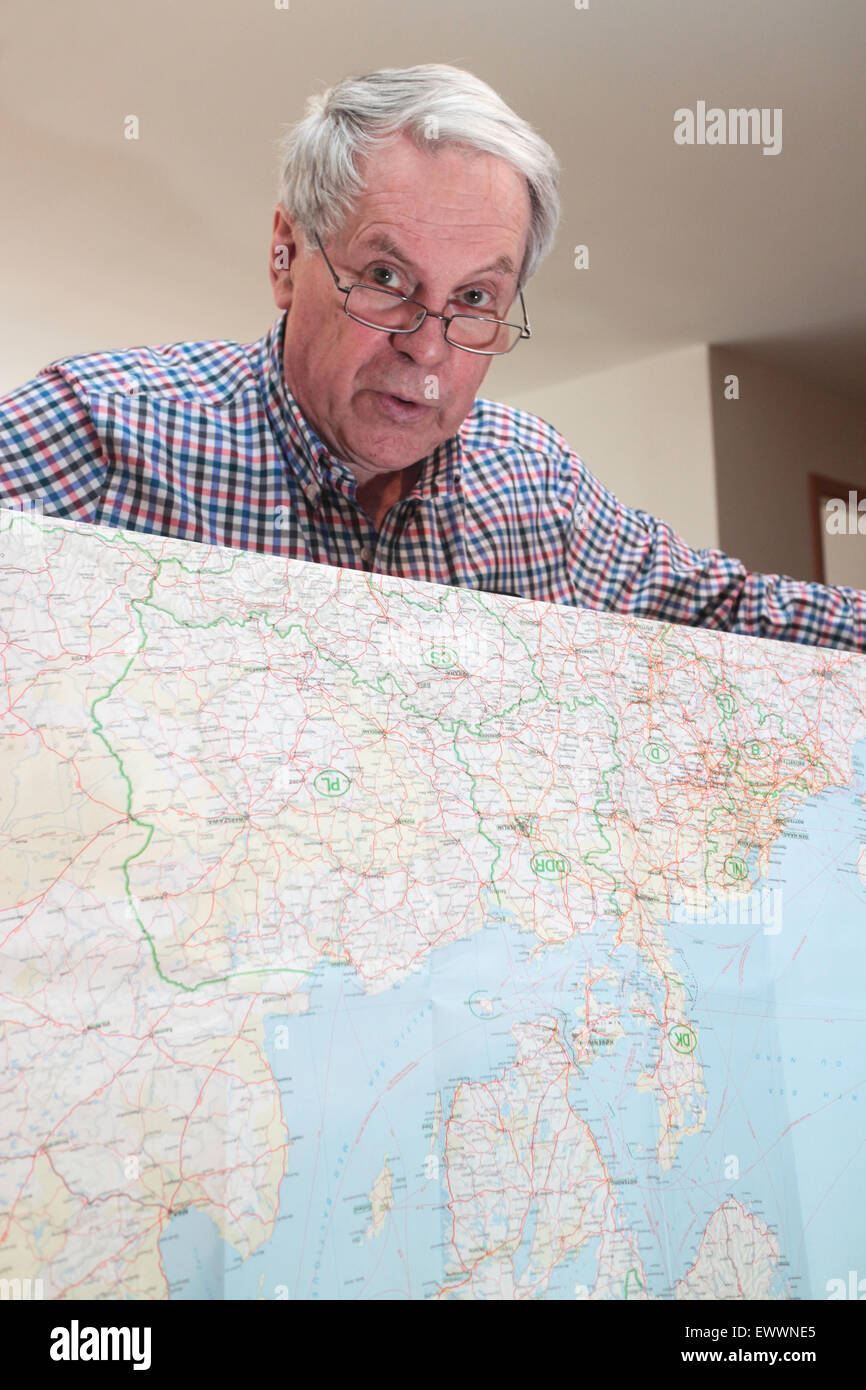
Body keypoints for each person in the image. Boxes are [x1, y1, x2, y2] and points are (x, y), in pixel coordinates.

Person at [1, 63, 862, 649]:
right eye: (385, 276)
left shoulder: (536, 486)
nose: (428, 346)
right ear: (283, 256)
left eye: (476, 300)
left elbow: (727, 611)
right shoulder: (103, 425)